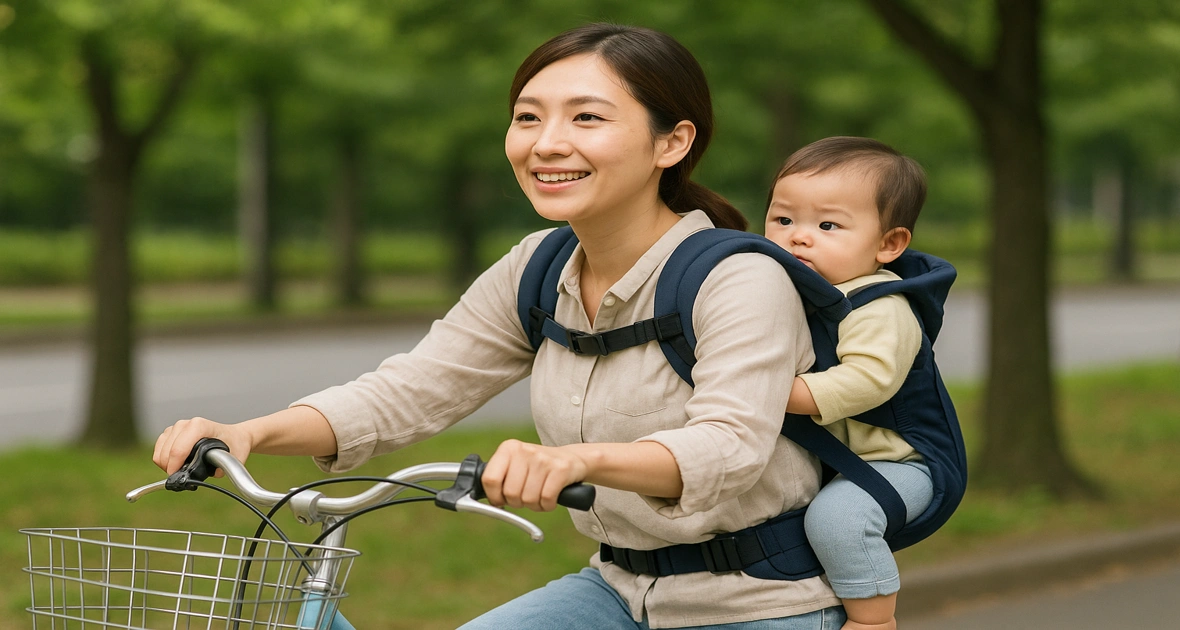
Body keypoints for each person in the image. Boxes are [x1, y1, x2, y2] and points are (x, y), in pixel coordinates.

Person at [154, 24, 845, 629]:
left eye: (586, 119)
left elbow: (727, 449)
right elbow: (411, 390)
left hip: (762, 603)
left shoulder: (739, 279)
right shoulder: (537, 269)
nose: (546, 144)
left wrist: (577, 460)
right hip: (619, 589)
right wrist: (249, 433)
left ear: (673, 141)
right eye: (527, 117)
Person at [763, 136, 936, 630]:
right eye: (783, 220)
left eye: (828, 225)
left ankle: (873, 618)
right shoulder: (791, 291)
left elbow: (866, 382)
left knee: (837, 521)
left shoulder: (880, 305)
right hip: (837, 458)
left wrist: (770, 392)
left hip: (897, 462)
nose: (798, 237)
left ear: (889, 244)